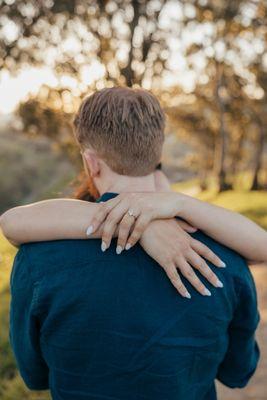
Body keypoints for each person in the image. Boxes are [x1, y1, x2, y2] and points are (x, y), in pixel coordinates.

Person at [0, 87, 264, 400]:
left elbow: (34, 374)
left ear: (91, 163)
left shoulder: (37, 257)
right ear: (157, 155)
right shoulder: (223, 258)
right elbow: (238, 370)